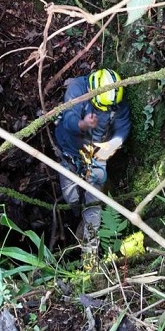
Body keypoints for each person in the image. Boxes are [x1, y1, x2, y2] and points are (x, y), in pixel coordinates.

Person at [54, 68, 131, 252]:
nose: (103, 111)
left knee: (93, 205)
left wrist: (112, 145)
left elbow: (123, 126)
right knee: (71, 197)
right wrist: (83, 124)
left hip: (95, 156)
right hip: (69, 153)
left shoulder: (115, 101)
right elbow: (69, 118)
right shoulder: (77, 89)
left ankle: (89, 256)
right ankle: (76, 214)